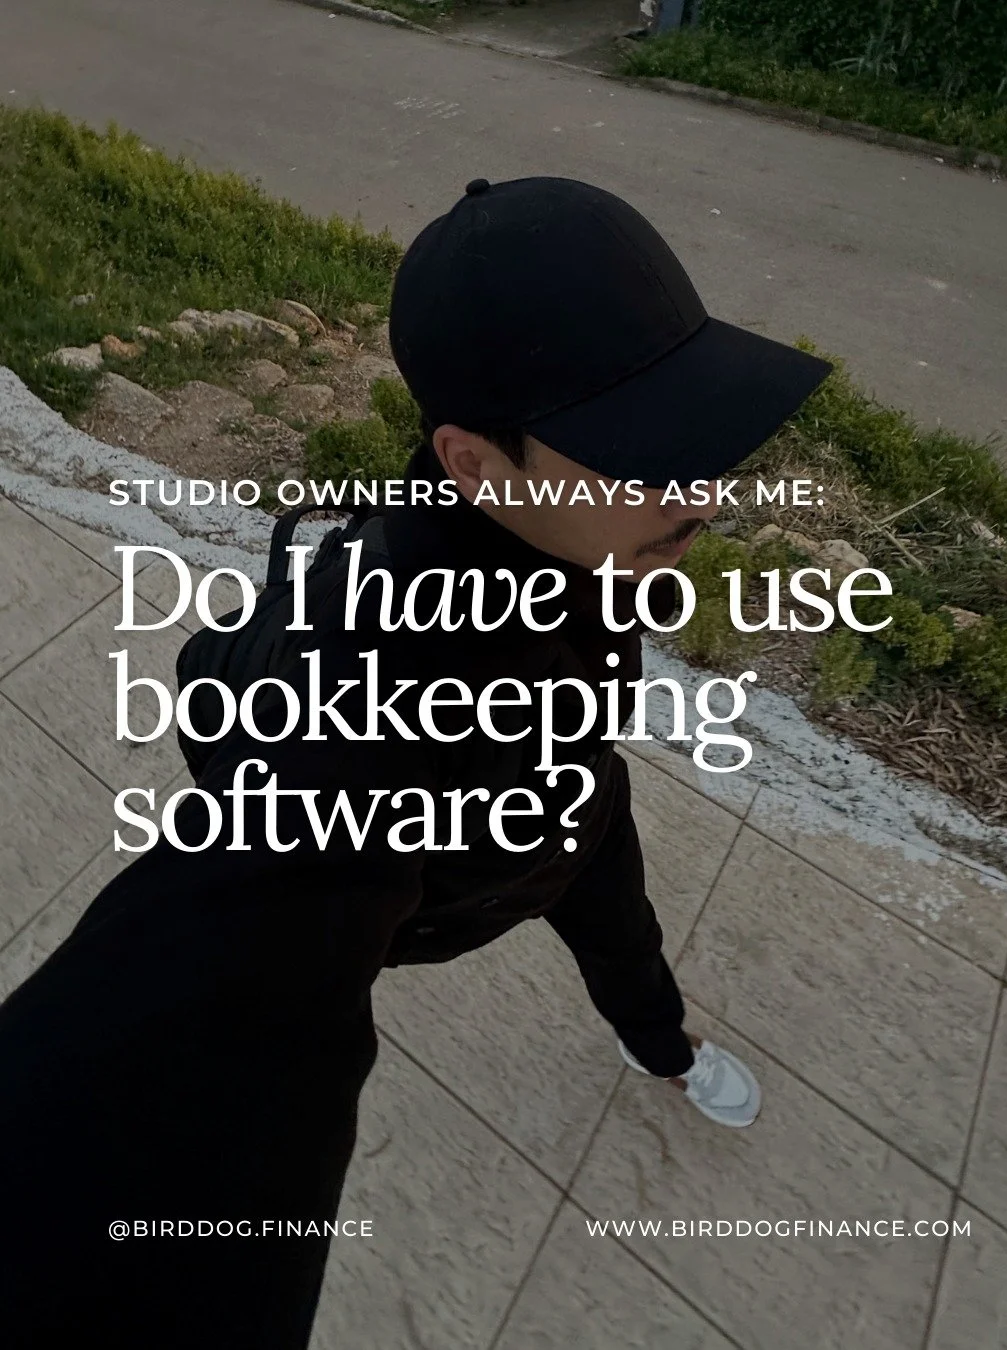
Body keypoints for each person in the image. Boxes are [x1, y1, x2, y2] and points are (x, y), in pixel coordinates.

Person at [0, 176, 830, 1347]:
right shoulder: (361, 722)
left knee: (625, 932)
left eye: (700, 430)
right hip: (451, 881)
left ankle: (661, 1043)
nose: (701, 492)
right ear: (474, 462)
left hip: (577, 801)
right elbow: (163, 1048)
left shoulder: (569, 533)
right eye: (643, 454)